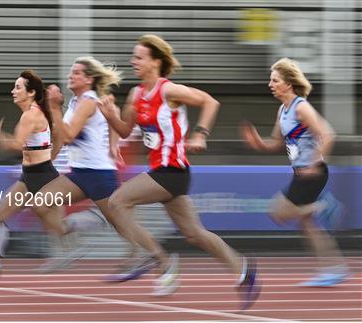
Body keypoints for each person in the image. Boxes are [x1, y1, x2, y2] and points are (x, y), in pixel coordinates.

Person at [97, 34, 260, 308]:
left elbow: (210, 102)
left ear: (155, 62)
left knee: (116, 202)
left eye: (139, 57)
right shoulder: (137, 94)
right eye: (133, 57)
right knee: (195, 234)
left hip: (171, 171)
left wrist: (200, 134)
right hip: (161, 171)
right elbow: (125, 130)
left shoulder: (168, 91)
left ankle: (158, 259)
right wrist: (110, 114)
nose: (132, 61)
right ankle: (244, 270)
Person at [34, 56, 176, 283]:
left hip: (99, 174)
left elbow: (70, 134)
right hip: (79, 173)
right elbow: (62, 136)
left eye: (77, 72)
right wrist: (47, 161)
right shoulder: (74, 103)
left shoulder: (89, 102)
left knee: (124, 225)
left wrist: (53, 107)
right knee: (41, 201)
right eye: (71, 72)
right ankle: (72, 244)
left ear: (89, 79)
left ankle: (163, 260)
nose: (71, 76)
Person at [240, 57, 350, 287]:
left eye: (275, 80)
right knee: (306, 224)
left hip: (313, 174)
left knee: (278, 213)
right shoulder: (283, 110)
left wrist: (314, 163)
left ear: (288, 84)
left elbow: (328, 134)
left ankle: (325, 205)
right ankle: (333, 269)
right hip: (301, 173)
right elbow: (275, 142)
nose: (270, 84)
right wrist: (258, 142)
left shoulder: (301, 107)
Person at [0, 70, 67, 274]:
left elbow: (16, 144)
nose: (13, 91)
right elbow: (52, 139)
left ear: (30, 93)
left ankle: (95, 220)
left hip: (42, 177)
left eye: (18, 87)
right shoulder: (35, 113)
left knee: (60, 227)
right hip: (30, 176)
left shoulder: (31, 115)